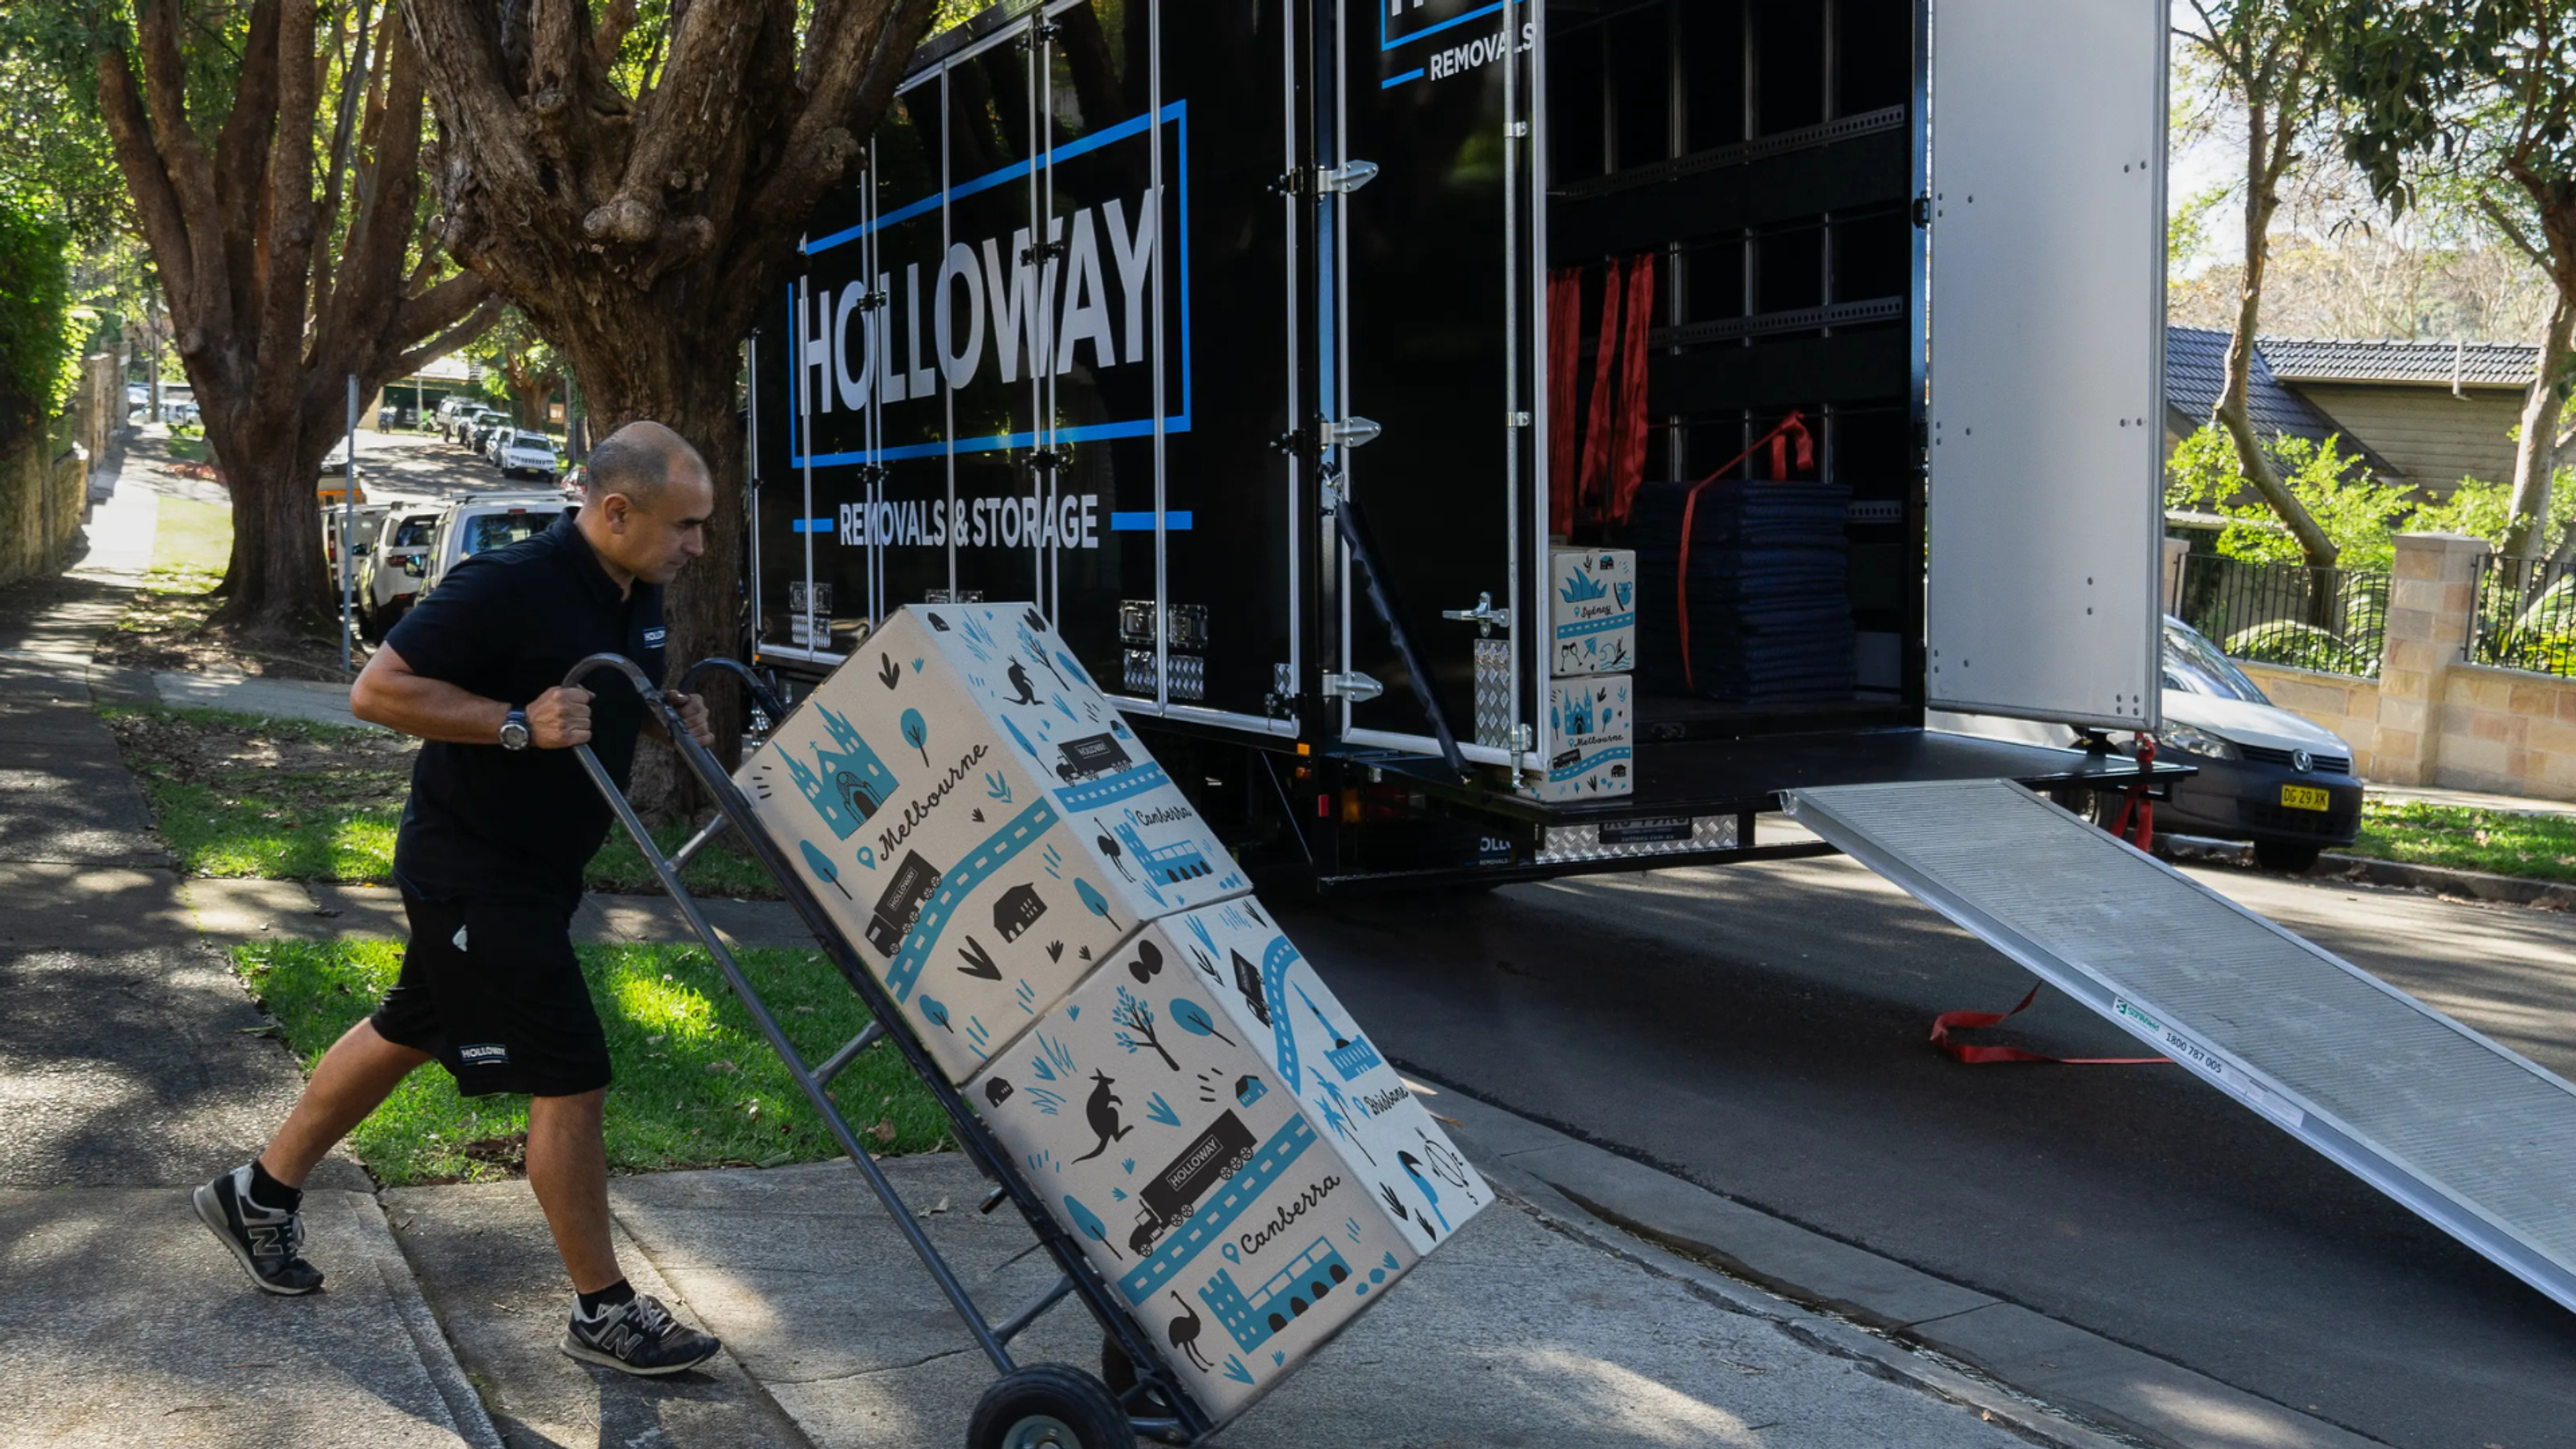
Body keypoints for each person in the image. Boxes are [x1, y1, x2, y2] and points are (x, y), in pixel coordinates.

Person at [195, 421, 727, 1377]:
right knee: (572, 1073)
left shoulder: (633, 589)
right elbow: (378, 690)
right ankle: (603, 1310)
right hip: (474, 870)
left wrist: (659, 718)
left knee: (411, 1025)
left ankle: (258, 1196)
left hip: (537, 872)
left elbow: (594, 698)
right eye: (686, 527)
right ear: (615, 512)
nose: (697, 548)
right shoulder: (506, 584)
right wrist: (516, 726)